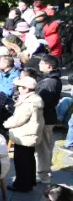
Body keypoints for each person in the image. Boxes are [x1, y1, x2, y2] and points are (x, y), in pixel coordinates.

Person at [5, 75, 44, 192]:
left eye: (20, 87)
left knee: (21, 162)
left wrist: (6, 124)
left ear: (26, 89)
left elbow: (18, 120)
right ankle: (29, 183)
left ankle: (21, 185)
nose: (18, 89)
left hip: (24, 136)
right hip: (30, 135)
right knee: (29, 160)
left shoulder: (28, 102)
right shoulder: (35, 98)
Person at [35, 55, 61, 184]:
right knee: (44, 146)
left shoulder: (50, 82)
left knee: (43, 147)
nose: (39, 65)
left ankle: (43, 175)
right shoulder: (51, 80)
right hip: (47, 116)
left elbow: (42, 101)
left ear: (49, 66)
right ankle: (43, 170)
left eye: (41, 63)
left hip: (46, 117)